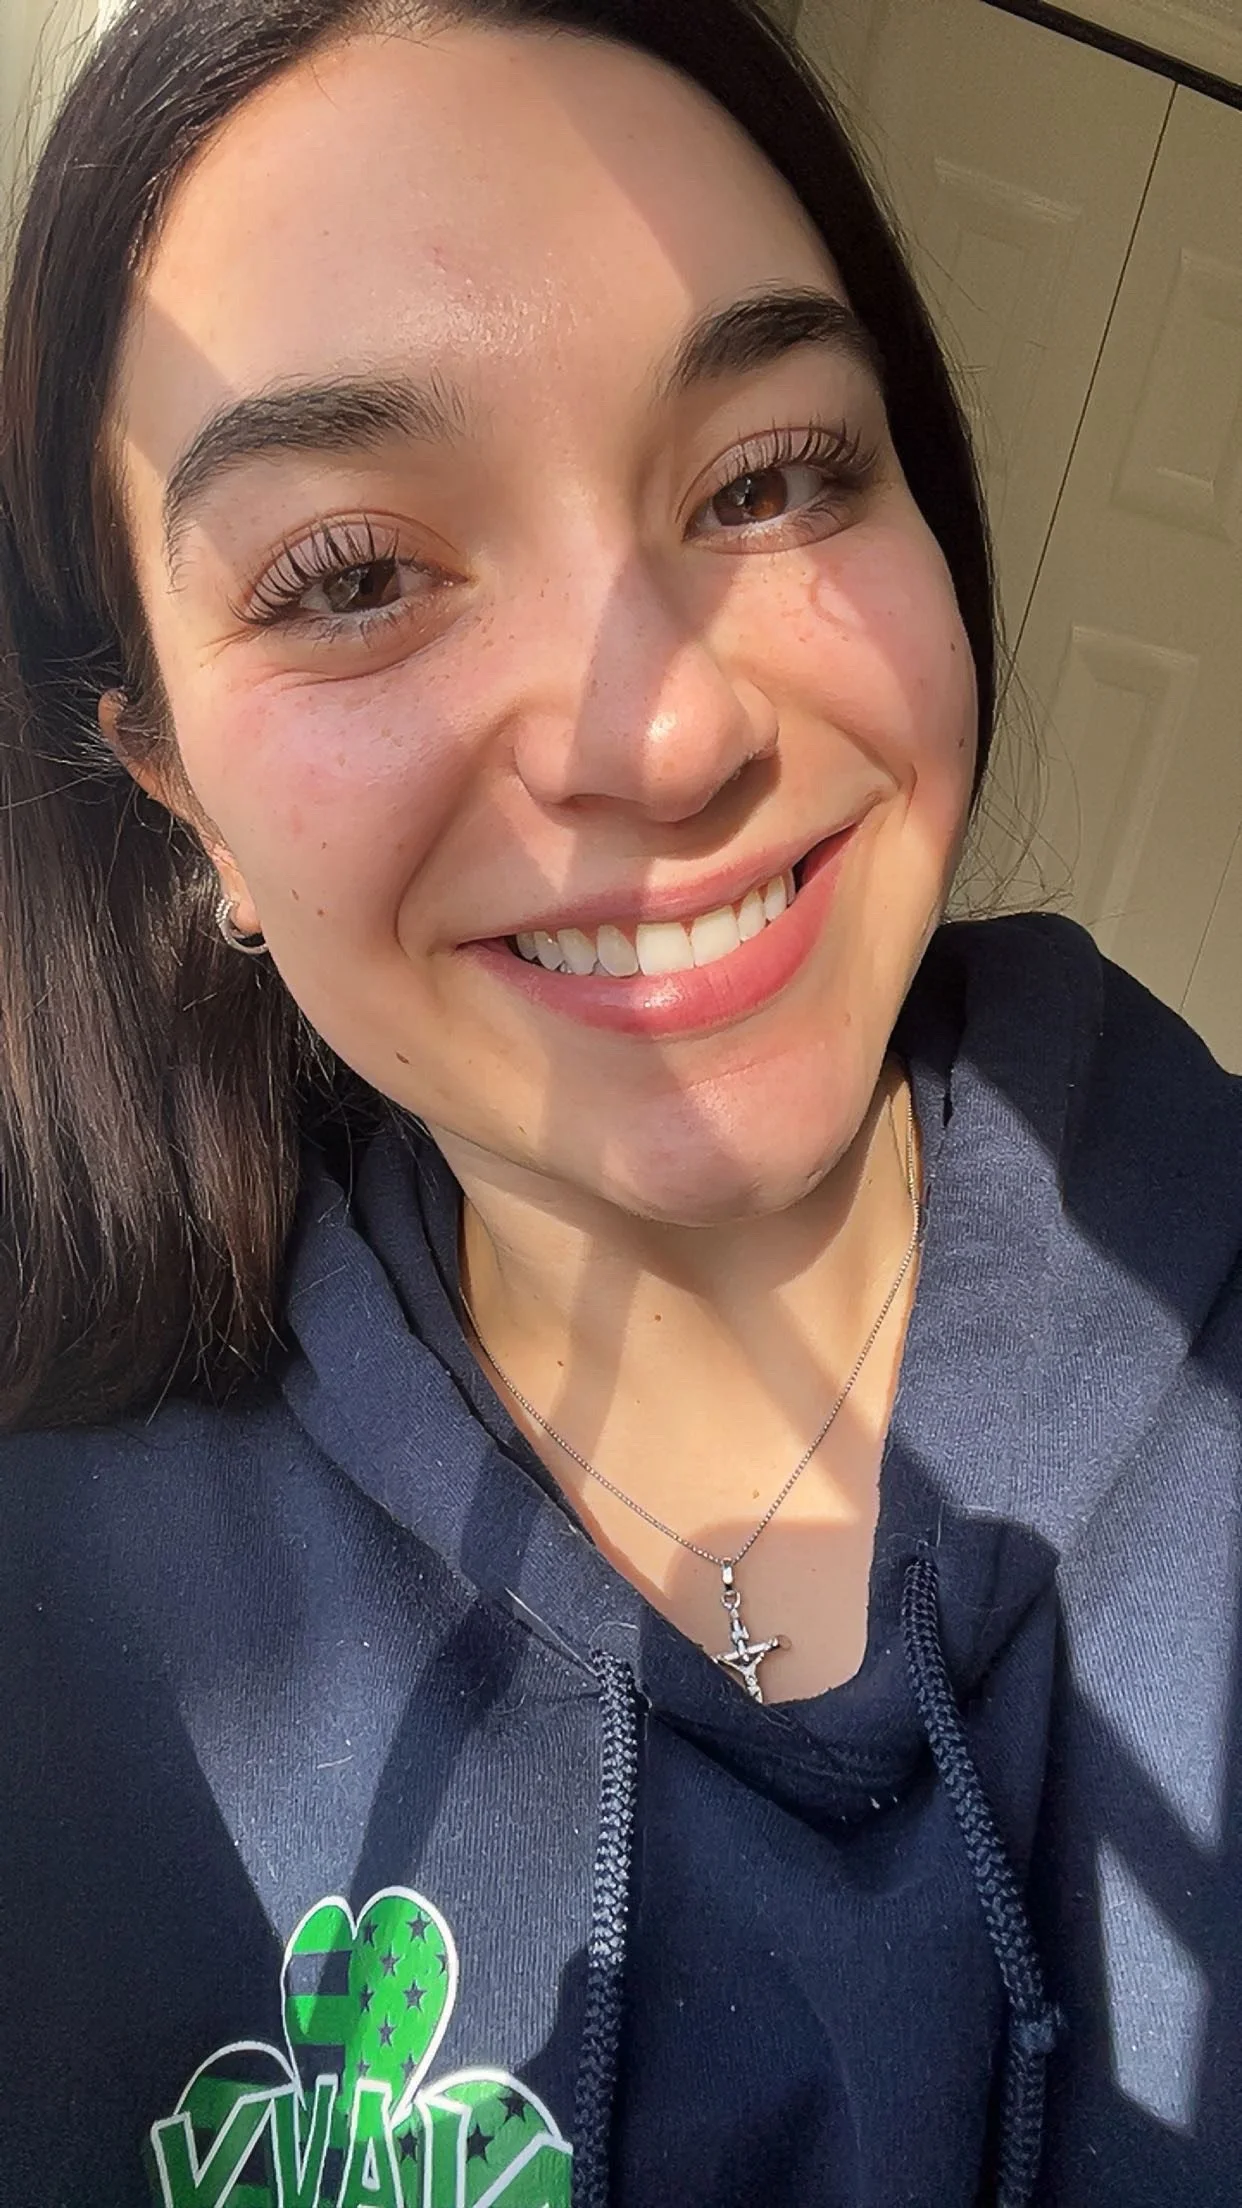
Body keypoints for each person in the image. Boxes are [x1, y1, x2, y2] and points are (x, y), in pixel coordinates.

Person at [1, 0, 1239, 2200]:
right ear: (174, 789)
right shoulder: (65, 1634)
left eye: (767, 476)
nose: (660, 739)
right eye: (357, 576)